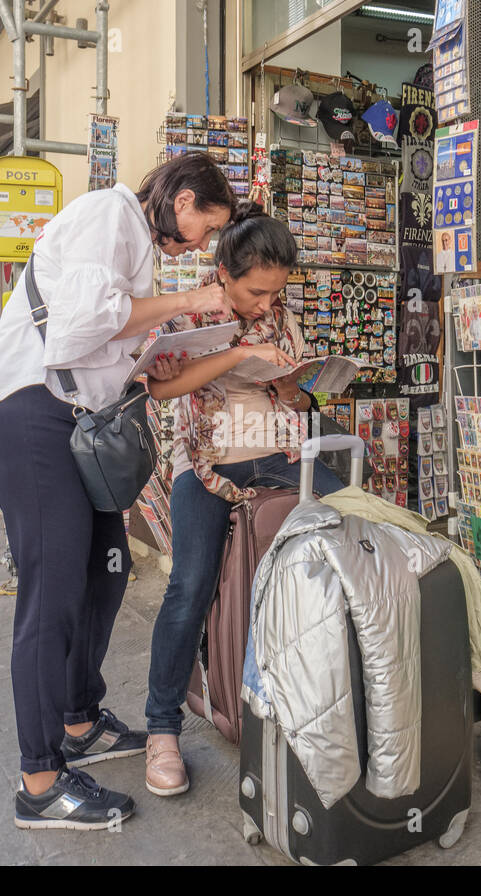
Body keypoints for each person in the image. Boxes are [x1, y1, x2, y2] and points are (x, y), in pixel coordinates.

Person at [0, 152, 249, 830]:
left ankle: (77, 721)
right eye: (206, 229)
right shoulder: (110, 215)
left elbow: (104, 333)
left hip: (74, 422)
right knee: (54, 593)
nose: (203, 245)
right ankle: (39, 781)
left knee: (106, 573)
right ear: (183, 201)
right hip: (33, 415)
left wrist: (162, 349)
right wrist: (188, 302)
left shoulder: (130, 239)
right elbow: (80, 327)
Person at [142, 209, 342, 797]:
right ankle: (162, 730)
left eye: (275, 293)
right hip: (206, 465)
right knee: (191, 585)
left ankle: (318, 698)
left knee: (351, 520)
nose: (264, 304)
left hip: (279, 457)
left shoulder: (285, 320)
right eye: (256, 291)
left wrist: (291, 387)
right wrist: (235, 356)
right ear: (225, 273)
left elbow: (304, 401)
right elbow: (160, 386)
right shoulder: (191, 313)